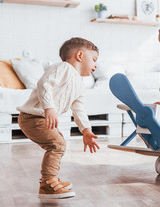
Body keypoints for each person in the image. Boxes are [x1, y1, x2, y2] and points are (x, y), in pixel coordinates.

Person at [17, 37, 100, 199]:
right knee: (57, 145)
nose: (95, 65)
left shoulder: (80, 84)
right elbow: (44, 84)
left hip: (39, 118)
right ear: (80, 55)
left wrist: (86, 130)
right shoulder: (63, 68)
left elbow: (79, 109)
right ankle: (48, 184)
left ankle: (51, 179)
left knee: (58, 143)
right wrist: (49, 107)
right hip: (32, 117)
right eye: (94, 59)